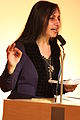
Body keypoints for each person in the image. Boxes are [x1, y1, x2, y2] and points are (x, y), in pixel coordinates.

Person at [0, 1, 77, 99]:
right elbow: (5, 87)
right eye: (52, 18)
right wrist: (11, 67)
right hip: (22, 109)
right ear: (39, 20)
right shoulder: (22, 48)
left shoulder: (55, 49)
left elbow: (47, 87)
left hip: (46, 109)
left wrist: (64, 88)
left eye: (58, 18)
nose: (57, 23)